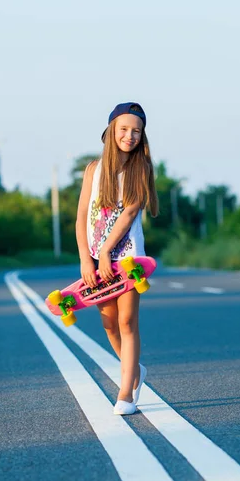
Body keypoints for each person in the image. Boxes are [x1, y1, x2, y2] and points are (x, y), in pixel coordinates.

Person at [76, 102, 159, 415]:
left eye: (136, 131)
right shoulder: (93, 171)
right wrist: (88, 258)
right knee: (109, 323)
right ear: (110, 131)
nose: (130, 135)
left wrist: (107, 252)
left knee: (126, 321)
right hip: (96, 260)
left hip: (125, 258)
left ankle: (126, 392)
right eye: (124, 129)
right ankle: (135, 371)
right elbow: (82, 216)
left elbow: (129, 213)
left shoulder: (141, 169)